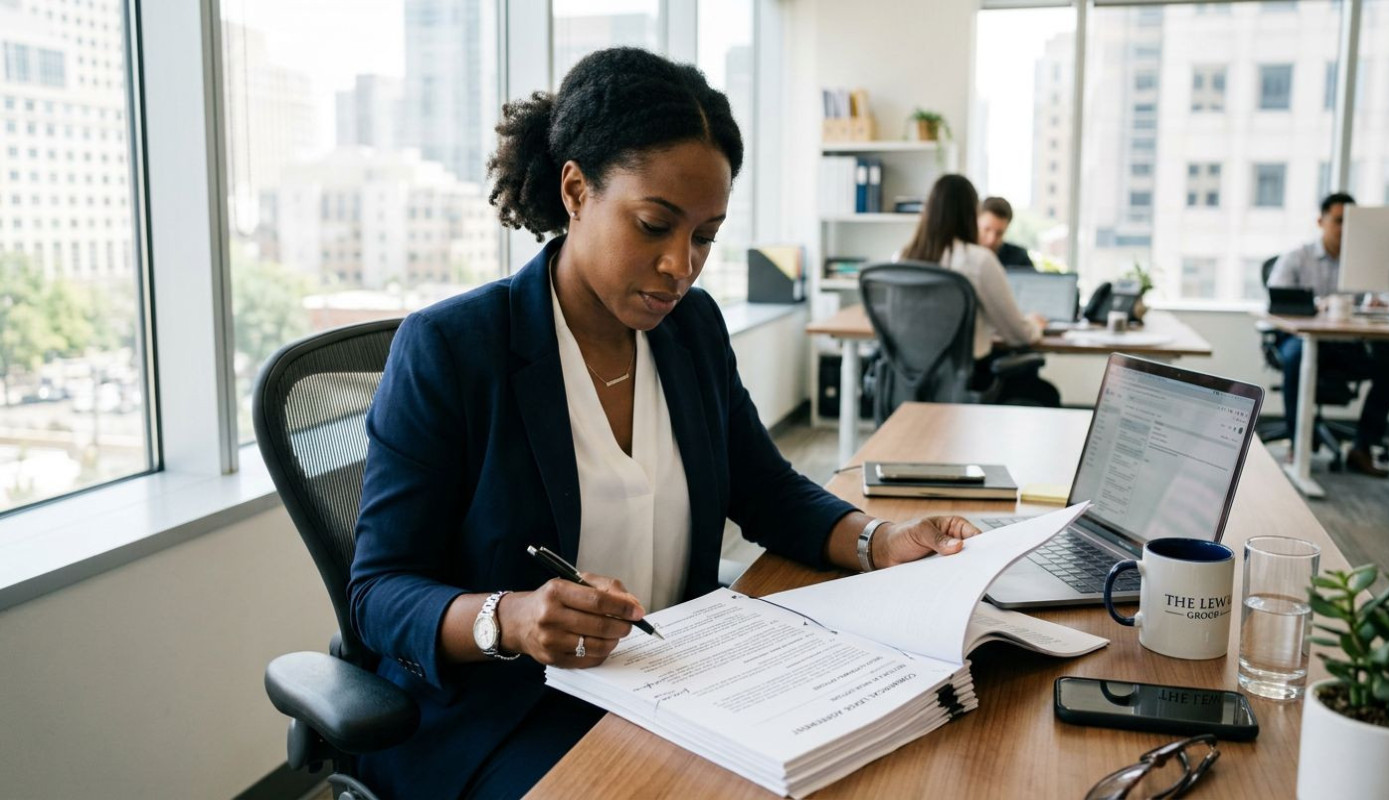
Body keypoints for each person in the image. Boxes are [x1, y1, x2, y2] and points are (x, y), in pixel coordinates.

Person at [347, 48, 985, 800]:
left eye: (706, 236)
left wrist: (877, 540)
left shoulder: (690, 329)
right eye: (654, 226)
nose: (682, 266)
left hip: (675, 687)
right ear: (576, 189)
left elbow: (765, 487)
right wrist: (510, 618)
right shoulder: (454, 349)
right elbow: (378, 591)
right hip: (507, 713)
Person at [1267, 192, 1389, 478]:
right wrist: (1318, 306)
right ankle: (1297, 445)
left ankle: (1362, 447)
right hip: (1301, 339)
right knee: (1296, 358)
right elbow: (1277, 301)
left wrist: (1378, 304)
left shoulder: (1367, 262)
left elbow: (1388, 300)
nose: (1344, 228)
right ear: (1321, 221)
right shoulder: (1297, 257)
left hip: (1348, 345)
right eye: (1339, 221)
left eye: (1350, 222)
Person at [899, 174, 1060, 407]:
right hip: (968, 381)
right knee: (1047, 395)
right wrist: (1035, 325)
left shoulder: (902, 259)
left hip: (910, 380)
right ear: (971, 214)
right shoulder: (979, 260)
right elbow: (1018, 335)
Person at [977, 196, 1035, 271]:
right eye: (987, 230)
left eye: (999, 233)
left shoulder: (1019, 259)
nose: (991, 240)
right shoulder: (961, 255)